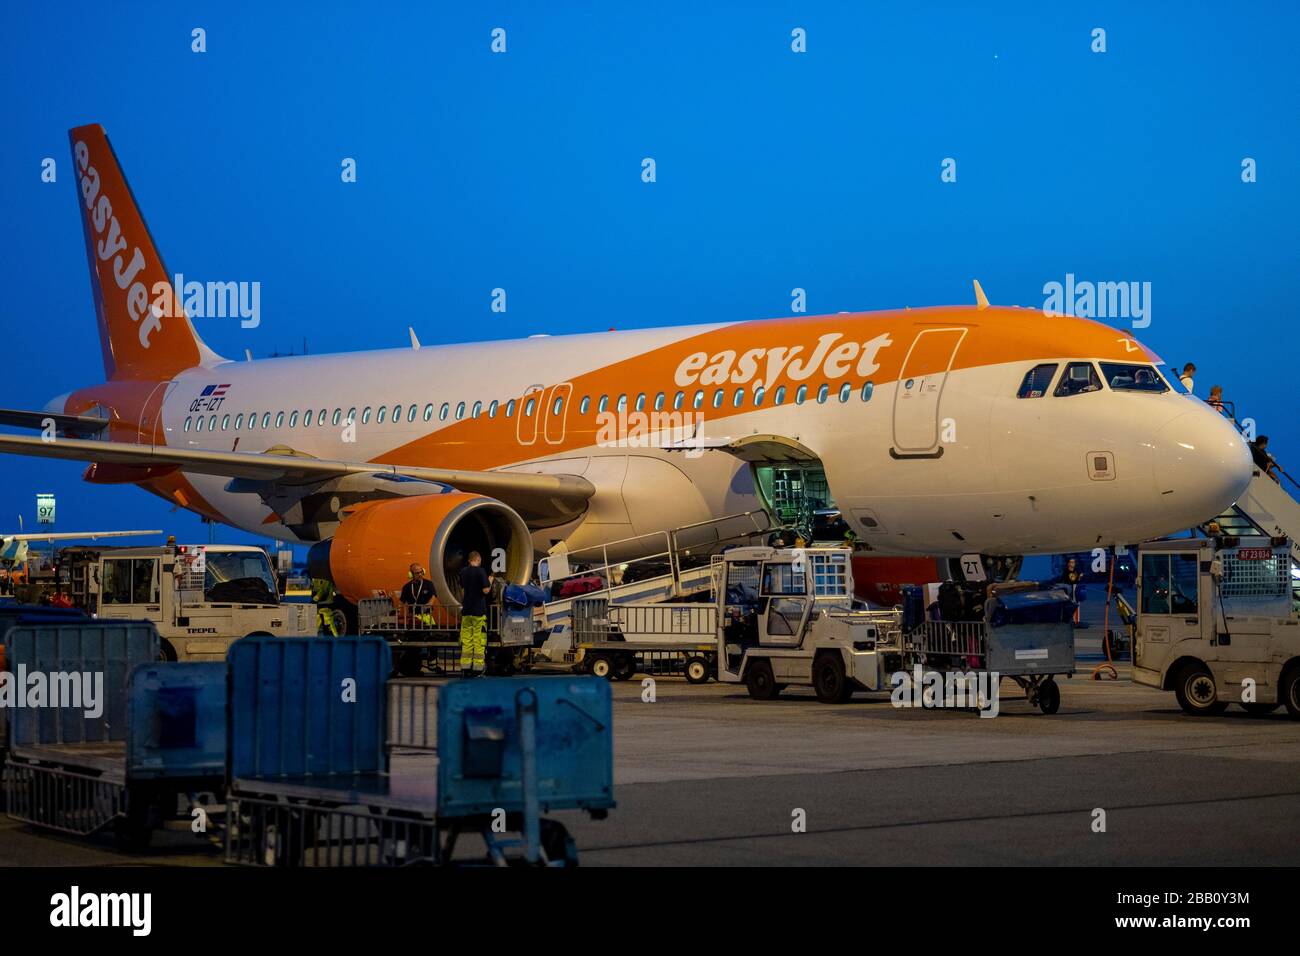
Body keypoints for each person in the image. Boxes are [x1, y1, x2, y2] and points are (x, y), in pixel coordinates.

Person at [458, 551, 491, 677]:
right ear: (478, 560)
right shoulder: (480, 571)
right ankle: (477, 668)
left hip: (466, 611)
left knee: (466, 640)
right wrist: (490, 581)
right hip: (478, 611)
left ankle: (465, 668)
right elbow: (486, 590)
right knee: (478, 640)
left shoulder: (463, 572)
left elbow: (462, 589)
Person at [399, 563, 436, 627]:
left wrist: (429, 603)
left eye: (421, 572)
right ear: (411, 574)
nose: (420, 574)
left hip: (426, 617)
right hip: (413, 618)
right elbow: (402, 602)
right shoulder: (406, 587)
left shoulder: (429, 584)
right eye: (417, 573)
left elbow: (433, 596)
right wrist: (399, 613)